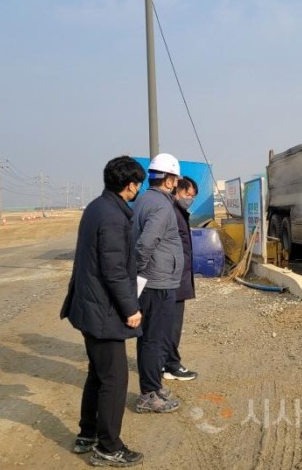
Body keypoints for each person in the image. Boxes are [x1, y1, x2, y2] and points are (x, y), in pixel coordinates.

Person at [60, 156, 146, 467]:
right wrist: (131, 308)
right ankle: (109, 446)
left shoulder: (98, 207)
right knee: (115, 378)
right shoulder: (112, 216)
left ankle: (88, 434)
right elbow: (114, 270)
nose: (138, 188)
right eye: (138, 183)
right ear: (130, 185)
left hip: (90, 306)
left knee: (98, 373)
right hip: (103, 309)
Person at [132, 153, 184, 413]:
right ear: (170, 180)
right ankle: (149, 394)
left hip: (153, 280)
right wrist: (141, 272)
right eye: (175, 179)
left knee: (149, 337)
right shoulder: (162, 205)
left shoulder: (144, 199)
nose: (176, 184)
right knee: (155, 338)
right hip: (158, 282)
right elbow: (146, 243)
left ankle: (152, 385)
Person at [163, 176, 198, 381]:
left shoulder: (178, 211)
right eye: (188, 194)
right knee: (172, 324)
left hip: (178, 276)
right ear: (177, 189)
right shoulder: (172, 213)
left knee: (169, 323)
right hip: (174, 278)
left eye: (193, 196)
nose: (190, 199)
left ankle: (164, 362)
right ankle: (171, 365)